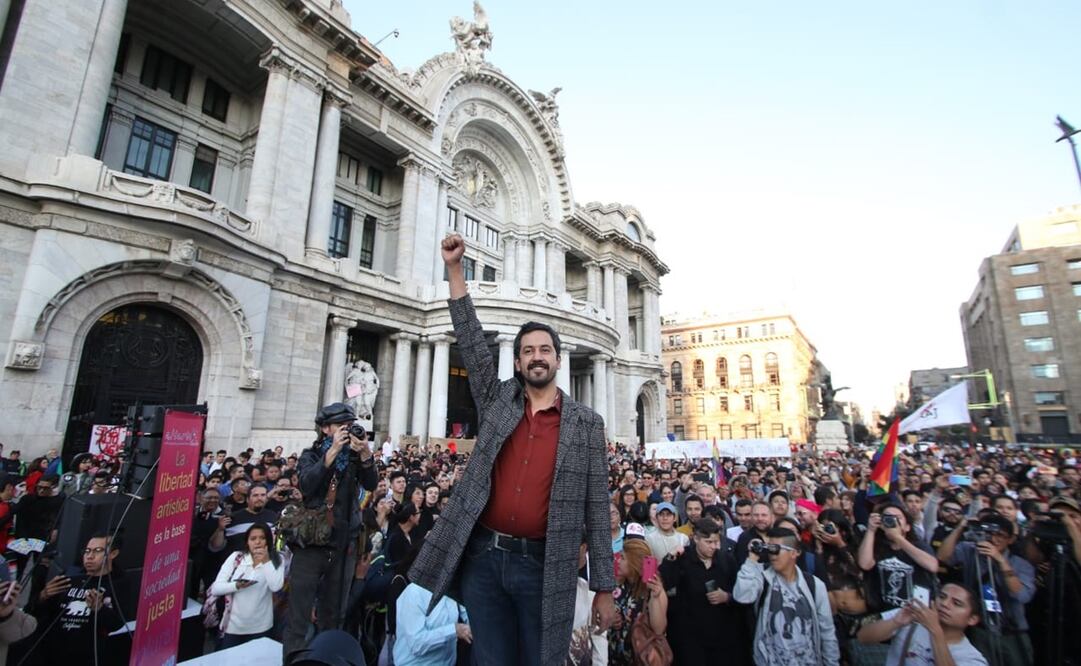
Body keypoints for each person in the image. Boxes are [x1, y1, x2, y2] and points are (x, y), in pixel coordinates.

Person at [409, 234, 616, 666]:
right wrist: (454, 269)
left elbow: (598, 510)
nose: (536, 357)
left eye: (544, 350)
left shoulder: (586, 424)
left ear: (557, 360)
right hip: (485, 558)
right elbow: (470, 340)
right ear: (518, 363)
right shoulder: (498, 400)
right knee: (490, 658)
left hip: (545, 566)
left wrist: (604, 587)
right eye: (528, 352)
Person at [282, 402, 378, 662]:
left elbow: (371, 484)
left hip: (344, 544)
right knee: (299, 616)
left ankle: (326, 659)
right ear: (326, 429)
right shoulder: (311, 455)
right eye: (341, 425)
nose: (347, 429)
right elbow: (307, 485)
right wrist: (333, 451)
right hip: (313, 544)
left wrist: (365, 454)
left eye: (350, 424)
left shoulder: (355, 458)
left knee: (334, 613)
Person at [936, 511, 1035, 665]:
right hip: (980, 629)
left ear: (1010, 539)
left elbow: (1022, 595)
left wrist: (1000, 560)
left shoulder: (1021, 564)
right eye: (989, 533)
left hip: (1011, 632)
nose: (993, 539)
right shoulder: (970, 550)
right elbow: (942, 557)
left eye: (1000, 535)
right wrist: (961, 527)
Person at [733, 527, 840, 665]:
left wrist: (831, 662)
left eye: (776, 549)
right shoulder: (761, 576)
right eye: (769, 549)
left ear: (795, 552)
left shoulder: (814, 585)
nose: (772, 555)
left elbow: (827, 630)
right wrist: (752, 558)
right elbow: (742, 596)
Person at [28, 532, 131, 665]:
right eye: (87, 551)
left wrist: (99, 609)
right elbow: (38, 613)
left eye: (97, 551)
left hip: (88, 657)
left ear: (113, 554)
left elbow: (118, 623)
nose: (90, 556)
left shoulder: (118, 582)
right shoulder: (70, 575)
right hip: (52, 652)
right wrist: (43, 596)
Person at [660, 517, 749, 665]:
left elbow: (741, 593)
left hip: (721, 636)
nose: (713, 546)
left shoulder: (726, 560)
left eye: (716, 542)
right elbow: (665, 582)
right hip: (690, 637)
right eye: (708, 542)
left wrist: (727, 597)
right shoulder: (682, 559)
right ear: (696, 539)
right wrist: (670, 558)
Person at [856, 582, 988, 665]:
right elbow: (862, 637)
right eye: (942, 597)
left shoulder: (971, 657)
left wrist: (935, 630)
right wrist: (895, 622)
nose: (945, 604)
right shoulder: (911, 616)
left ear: (972, 619)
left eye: (957, 603)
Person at [209, 522, 285, 648]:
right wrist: (236, 586)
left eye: (262, 538)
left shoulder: (277, 559)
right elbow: (216, 588)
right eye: (253, 539)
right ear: (247, 542)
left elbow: (276, 586)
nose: (258, 542)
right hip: (233, 627)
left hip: (261, 627)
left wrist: (266, 561)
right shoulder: (236, 558)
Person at [858, 503, 938, 612]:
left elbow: (932, 566)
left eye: (898, 517)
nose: (893, 520)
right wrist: (871, 530)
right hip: (886, 611)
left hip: (917, 611)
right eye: (887, 517)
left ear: (907, 527)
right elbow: (865, 564)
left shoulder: (919, 546)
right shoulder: (877, 547)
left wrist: (897, 537)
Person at [606, 536, 668, 665]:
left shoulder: (653, 590)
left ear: (634, 562)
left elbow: (659, 629)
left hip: (639, 657)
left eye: (623, 558)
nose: (618, 561)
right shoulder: (616, 585)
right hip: (614, 655)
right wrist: (610, 619)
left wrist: (656, 598)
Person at [392, 582, 471, 666]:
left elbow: (469, 615)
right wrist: (454, 631)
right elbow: (417, 644)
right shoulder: (414, 592)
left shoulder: (452, 591)